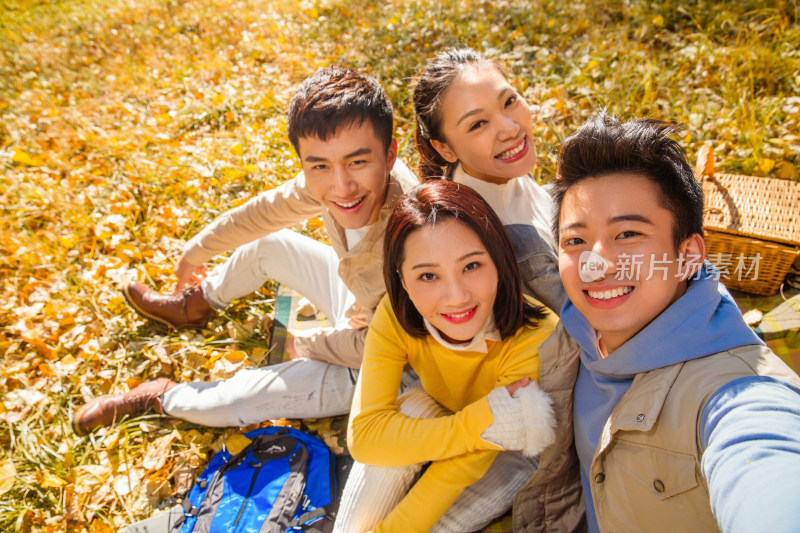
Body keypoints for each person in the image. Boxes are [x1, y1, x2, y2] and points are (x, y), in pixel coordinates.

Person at [71, 65, 418, 434]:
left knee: (240, 400)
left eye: (357, 161)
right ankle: (193, 306)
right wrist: (196, 252)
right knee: (268, 243)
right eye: (319, 165)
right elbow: (264, 212)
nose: (342, 186)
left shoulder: (417, 235)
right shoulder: (334, 179)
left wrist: (310, 344)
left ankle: (163, 397)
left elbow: (394, 346)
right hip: (358, 307)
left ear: (390, 155)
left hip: (386, 364)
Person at [541, 112, 800, 532]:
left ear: (689, 254)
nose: (598, 264)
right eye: (576, 240)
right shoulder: (573, 328)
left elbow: (764, 461)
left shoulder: (735, 396)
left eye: (628, 234)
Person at [332, 179, 571, 533]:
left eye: (471, 266)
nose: (456, 296)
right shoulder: (395, 314)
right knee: (412, 408)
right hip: (462, 420)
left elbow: (467, 463)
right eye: (428, 275)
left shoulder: (535, 338)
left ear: (499, 260)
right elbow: (366, 437)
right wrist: (473, 425)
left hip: (515, 451)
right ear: (402, 279)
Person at [412, 47, 565, 315]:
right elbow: (594, 331)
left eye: (509, 102)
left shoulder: (494, 169)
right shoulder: (520, 248)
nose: (510, 129)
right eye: (478, 124)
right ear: (445, 149)